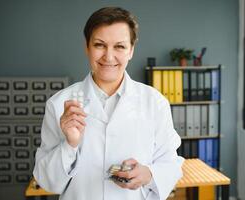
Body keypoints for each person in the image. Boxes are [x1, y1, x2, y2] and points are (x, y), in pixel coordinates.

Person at [33, 7, 184, 200]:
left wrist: (149, 174)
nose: (109, 56)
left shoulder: (155, 102)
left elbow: (170, 163)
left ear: (131, 50)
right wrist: (69, 145)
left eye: (119, 46)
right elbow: (47, 182)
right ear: (87, 47)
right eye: (99, 45)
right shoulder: (59, 104)